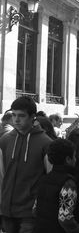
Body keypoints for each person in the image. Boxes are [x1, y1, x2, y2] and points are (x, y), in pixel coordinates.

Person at [0, 96, 52, 233]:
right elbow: (2, 175)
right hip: (6, 210)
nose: (16, 120)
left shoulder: (46, 143)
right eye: (14, 115)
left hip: (30, 213)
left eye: (21, 116)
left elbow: (50, 178)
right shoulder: (5, 140)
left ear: (32, 117)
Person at [34, 139, 79, 233]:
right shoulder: (68, 184)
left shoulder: (43, 179)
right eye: (74, 156)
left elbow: (35, 209)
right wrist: (77, 229)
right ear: (68, 159)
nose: (76, 159)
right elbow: (65, 218)